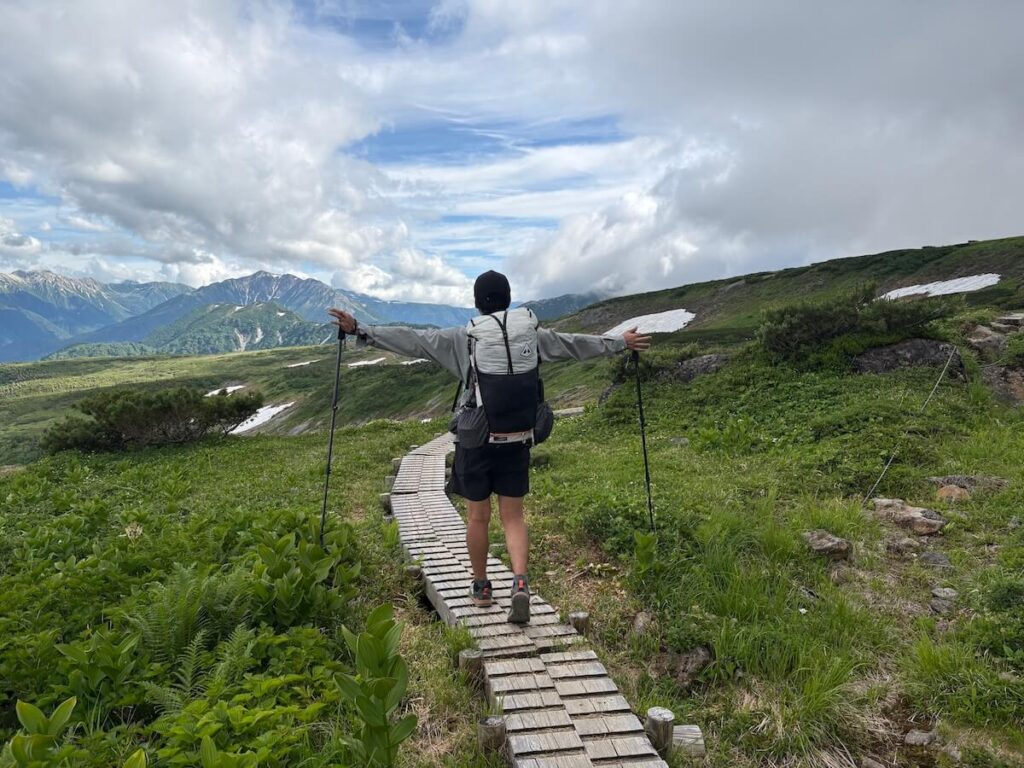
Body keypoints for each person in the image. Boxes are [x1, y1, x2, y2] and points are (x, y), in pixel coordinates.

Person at [328, 270, 650, 624]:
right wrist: (619, 342)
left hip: (477, 441)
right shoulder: (532, 335)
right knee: (514, 517)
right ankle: (521, 582)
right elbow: (574, 345)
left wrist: (360, 328)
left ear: (478, 302)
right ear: (509, 299)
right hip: (518, 440)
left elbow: (414, 340)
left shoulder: (462, 339)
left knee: (478, 517)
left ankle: (481, 586)